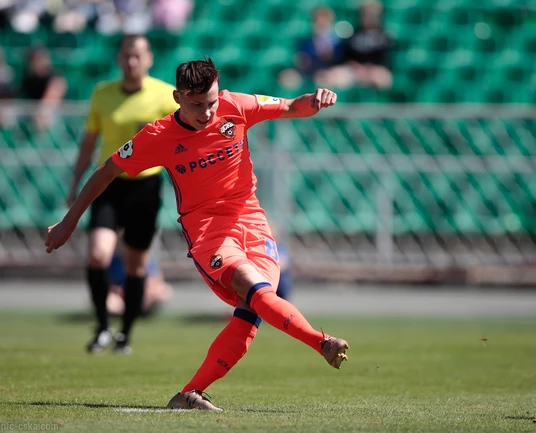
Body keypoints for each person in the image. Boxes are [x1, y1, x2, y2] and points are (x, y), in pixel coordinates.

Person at [46, 57, 349, 410]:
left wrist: (316, 100)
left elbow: (293, 106)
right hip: (208, 231)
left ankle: (189, 394)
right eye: (196, 105)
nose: (207, 112)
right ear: (177, 98)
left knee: (252, 309)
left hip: (253, 221)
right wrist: (69, 221)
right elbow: (106, 171)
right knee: (252, 288)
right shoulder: (158, 136)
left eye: (211, 102)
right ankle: (321, 342)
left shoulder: (237, 105)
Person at [66, 34, 178, 355]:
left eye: (137, 55)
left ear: (149, 59)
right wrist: (75, 185)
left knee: (136, 266)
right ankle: (102, 327)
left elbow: (183, 141)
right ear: (119, 58)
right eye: (127, 55)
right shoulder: (103, 93)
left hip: (145, 186)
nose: (131, 61)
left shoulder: (164, 95)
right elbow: (89, 142)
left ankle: (125, 334)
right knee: (98, 254)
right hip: (109, 183)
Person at [20, 45, 67, 130]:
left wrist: (39, 112)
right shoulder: (28, 78)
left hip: (50, 112)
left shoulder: (55, 76)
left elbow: (50, 102)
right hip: (30, 110)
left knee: (43, 116)